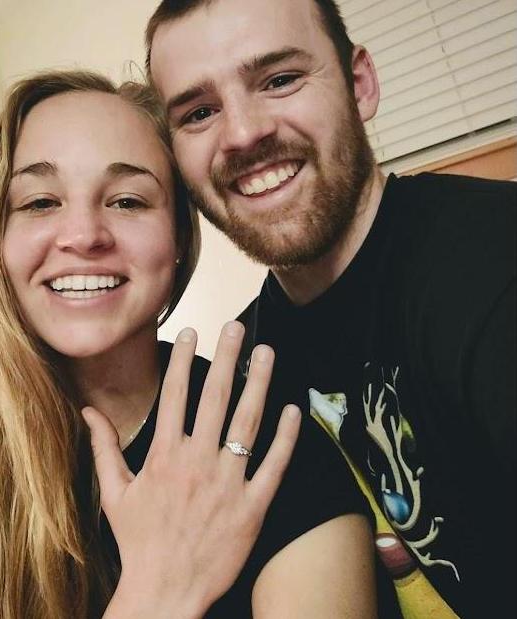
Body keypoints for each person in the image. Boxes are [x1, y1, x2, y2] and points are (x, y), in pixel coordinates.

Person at [0, 70, 377, 618]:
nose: (83, 235)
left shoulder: (265, 435)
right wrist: (160, 587)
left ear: (178, 238)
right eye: (39, 202)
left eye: (127, 201)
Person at [146, 0, 517, 617]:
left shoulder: (497, 259)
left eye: (280, 79)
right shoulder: (242, 374)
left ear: (359, 84)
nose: (242, 133)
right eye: (200, 112)